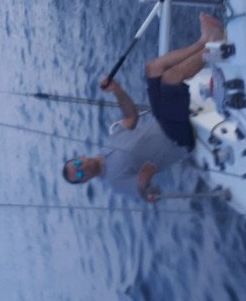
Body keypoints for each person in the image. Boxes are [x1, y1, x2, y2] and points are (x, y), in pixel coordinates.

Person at [62, 14, 224, 202]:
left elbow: (131, 117)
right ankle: (216, 47)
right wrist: (143, 184)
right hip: (177, 139)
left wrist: (117, 89)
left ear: (80, 157)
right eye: (80, 175)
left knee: (153, 68)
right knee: (171, 78)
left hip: (162, 118)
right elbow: (144, 193)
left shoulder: (106, 145)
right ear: (85, 181)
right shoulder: (115, 182)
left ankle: (204, 42)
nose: (83, 168)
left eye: (78, 164)